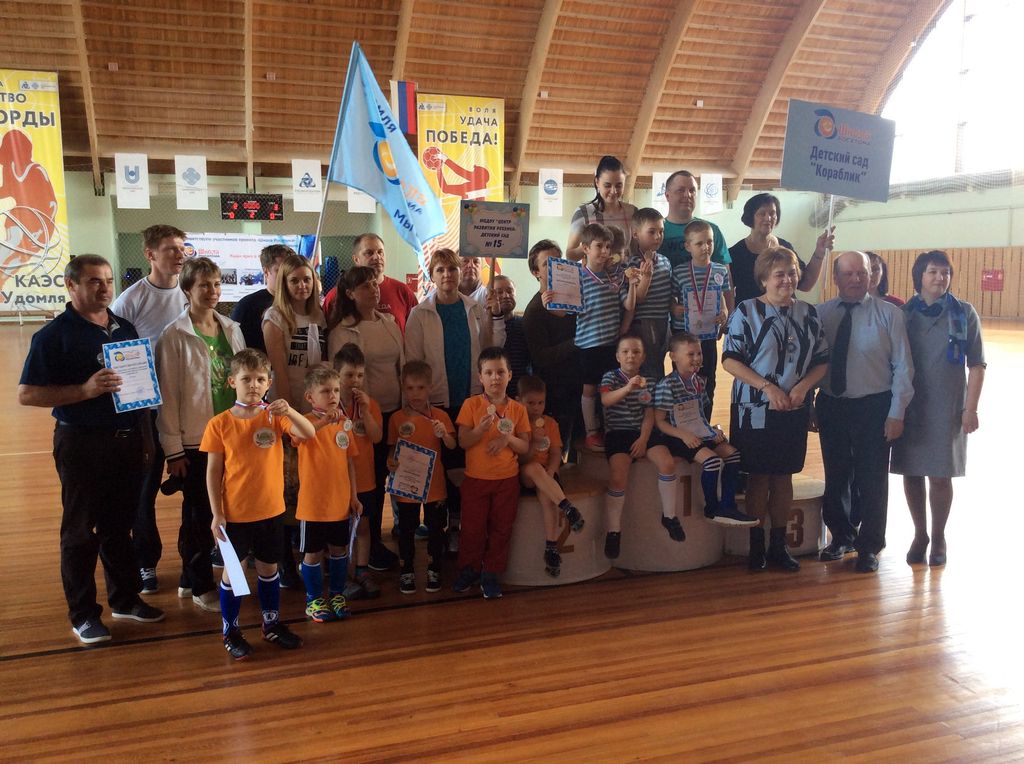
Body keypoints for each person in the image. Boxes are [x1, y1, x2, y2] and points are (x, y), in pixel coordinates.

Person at [19, 254, 166, 644]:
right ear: (71, 286)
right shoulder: (54, 336)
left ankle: (125, 599)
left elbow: (139, 389)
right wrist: (83, 391)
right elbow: (27, 394)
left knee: (119, 527)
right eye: (94, 281)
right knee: (81, 531)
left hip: (127, 441)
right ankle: (83, 614)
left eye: (108, 280)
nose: (104, 288)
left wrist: (146, 438)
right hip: (82, 443)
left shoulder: (124, 327)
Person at [722, 247, 829, 572]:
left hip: (793, 408)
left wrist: (802, 387)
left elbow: (822, 361)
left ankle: (779, 546)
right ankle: (756, 547)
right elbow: (730, 360)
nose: (787, 279)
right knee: (758, 477)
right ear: (764, 279)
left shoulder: (809, 313)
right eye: (779, 274)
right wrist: (767, 387)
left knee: (783, 477)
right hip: (753, 409)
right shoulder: (746, 311)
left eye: (792, 273)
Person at [203, 349, 314, 660]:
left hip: (271, 510)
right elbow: (213, 472)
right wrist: (216, 513)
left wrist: (290, 411)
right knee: (235, 575)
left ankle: (271, 624)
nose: (253, 385)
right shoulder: (219, 423)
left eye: (260, 379)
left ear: (269, 383)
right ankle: (231, 630)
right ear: (232, 382)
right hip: (234, 515)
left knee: (269, 568)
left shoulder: (274, 417)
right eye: (246, 379)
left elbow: (308, 433)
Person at [154, 257, 245, 612]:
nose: (212, 291)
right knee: (199, 514)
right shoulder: (174, 335)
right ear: (188, 290)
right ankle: (201, 585)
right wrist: (174, 450)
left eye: (217, 284)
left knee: (226, 509)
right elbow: (168, 396)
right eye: (204, 285)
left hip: (233, 434)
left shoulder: (232, 328)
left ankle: (190, 577)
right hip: (196, 440)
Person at [815, 251, 915, 573]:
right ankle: (841, 536)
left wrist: (897, 412)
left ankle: (869, 545)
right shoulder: (821, 314)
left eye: (862, 273)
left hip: (874, 406)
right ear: (836, 278)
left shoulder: (890, 314)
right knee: (836, 475)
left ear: (872, 276)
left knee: (872, 479)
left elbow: (904, 366)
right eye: (848, 273)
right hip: (832, 404)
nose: (856, 279)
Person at [891, 250, 985, 567]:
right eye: (933, 271)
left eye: (945, 273)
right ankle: (920, 533)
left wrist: (970, 409)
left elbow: (977, 365)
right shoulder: (904, 314)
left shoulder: (964, 313)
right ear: (920, 276)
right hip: (911, 404)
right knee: (911, 471)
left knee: (941, 475)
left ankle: (939, 534)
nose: (939, 278)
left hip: (948, 405)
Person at [111, 224, 188, 595]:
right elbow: (115, 356)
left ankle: (196, 560)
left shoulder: (189, 293)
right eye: (170, 248)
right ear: (150, 254)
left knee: (197, 491)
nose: (178, 254)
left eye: (182, 248)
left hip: (187, 411)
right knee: (144, 493)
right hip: (146, 416)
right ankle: (145, 562)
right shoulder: (130, 301)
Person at [406, 248, 497, 554]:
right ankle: (436, 526)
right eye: (441, 270)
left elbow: (486, 350)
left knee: (462, 467)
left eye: (452, 269)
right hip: (436, 403)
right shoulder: (420, 314)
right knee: (439, 469)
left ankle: (457, 525)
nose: (447, 275)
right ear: (432, 276)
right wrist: (418, 405)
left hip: (469, 400)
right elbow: (414, 363)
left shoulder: (475, 308)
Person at [327, 265, 404, 572]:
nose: (373, 289)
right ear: (349, 293)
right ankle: (357, 546)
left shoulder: (389, 323)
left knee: (382, 476)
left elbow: (401, 364)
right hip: (360, 415)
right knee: (363, 480)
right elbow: (340, 376)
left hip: (392, 410)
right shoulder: (341, 331)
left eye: (374, 284)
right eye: (364, 286)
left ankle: (374, 540)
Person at [262, 253, 326, 588]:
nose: (302, 286)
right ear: (283, 284)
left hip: (316, 412)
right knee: (287, 489)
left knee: (309, 485)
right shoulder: (275, 318)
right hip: (291, 413)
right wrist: (291, 417)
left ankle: (309, 554)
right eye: (294, 280)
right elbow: (280, 373)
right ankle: (285, 559)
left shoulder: (319, 315)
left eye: (307, 279)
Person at [452, 347, 532, 599]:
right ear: (480, 377)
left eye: (500, 372)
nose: (495, 378)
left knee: (501, 528)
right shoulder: (471, 405)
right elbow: (463, 441)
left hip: (506, 480)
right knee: (472, 529)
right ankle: (469, 569)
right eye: (489, 373)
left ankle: (491, 573)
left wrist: (508, 439)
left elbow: (525, 446)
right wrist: (479, 430)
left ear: (510, 375)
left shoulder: (518, 409)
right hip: (476, 479)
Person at [654, 333, 756, 526]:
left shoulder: (699, 382)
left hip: (698, 432)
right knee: (712, 461)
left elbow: (700, 415)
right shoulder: (666, 385)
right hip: (677, 437)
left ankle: (728, 505)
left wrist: (714, 429)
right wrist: (683, 435)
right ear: (673, 357)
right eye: (690, 354)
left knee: (732, 454)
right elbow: (659, 422)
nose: (696, 358)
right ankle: (712, 509)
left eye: (699, 353)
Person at [600, 334, 684, 558]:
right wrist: (628, 388)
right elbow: (606, 400)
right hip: (618, 433)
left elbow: (649, 413)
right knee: (618, 477)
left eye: (636, 352)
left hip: (643, 433)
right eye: (626, 352)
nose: (631, 356)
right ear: (617, 356)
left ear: (643, 357)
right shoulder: (610, 377)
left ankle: (669, 516)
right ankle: (614, 531)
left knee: (667, 464)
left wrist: (644, 439)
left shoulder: (651, 381)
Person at [295, 366, 361, 623]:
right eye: (325, 391)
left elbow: (350, 462)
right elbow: (299, 438)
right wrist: (324, 422)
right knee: (312, 553)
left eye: (336, 390)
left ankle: (336, 594)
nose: (332, 395)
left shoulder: (344, 424)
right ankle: (313, 599)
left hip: (339, 502)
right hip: (313, 504)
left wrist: (353, 496)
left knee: (339, 550)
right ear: (310, 397)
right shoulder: (304, 421)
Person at [386, 361, 456, 594]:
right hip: (407, 487)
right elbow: (392, 449)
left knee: (436, 528)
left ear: (430, 387)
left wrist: (444, 434)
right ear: (403, 388)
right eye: (410, 388)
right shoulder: (396, 419)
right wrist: (390, 461)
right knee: (406, 529)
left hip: (435, 486)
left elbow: (452, 445)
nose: (415, 393)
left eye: (421, 388)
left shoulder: (440, 416)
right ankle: (406, 570)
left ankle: (434, 568)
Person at [569, 223, 639, 452]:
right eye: (599, 246)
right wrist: (551, 299)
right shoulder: (577, 277)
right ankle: (591, 432)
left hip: (611, 345)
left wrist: (633, 285)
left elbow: (628, 304)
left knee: (609, 388)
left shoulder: (614, 277)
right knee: (589, 389)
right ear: (585, 248)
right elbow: (567, 310)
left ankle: (611, 430)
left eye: (608, 246)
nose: (605, 251)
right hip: (588, 346)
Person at [517, 375, 584, 578]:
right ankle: (568, 507)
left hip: (546, 474)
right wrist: (534, 443)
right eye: (530, 403)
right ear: (518, 400)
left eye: (540, 403)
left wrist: (552, 471)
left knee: (547, 498)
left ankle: (551, 547)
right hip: (525, 473)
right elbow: (521, 459)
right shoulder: (517, 422)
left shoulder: (550, 423)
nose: (536, 408)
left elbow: (556, 452)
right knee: (534, 467)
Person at [332, 343, 385, 598]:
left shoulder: (369, 404)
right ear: (337, 375)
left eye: (360, 375)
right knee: (340, 531)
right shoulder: (329, 407)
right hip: (339, 480)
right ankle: (341, 576)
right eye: (349, 375)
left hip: (365, 479)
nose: (355, 380)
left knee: (363, 527)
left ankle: (362, 570)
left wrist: (365, 412)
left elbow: (376, 437)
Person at [522, 240, 582, 457]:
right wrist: (576, 341)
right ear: (535, 272)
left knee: (579, 447)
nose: (555, 267)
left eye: (558, 261)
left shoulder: (577, 300)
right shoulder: (535, 310)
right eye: (548, 264)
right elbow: (541, 357)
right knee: (557, 450)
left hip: (580, 384)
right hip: (556, 391)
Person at [670, 219, 734, 420]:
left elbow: (723, 298)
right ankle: (683, 423)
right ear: (688, 246)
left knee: (708, 379)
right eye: (699, 243)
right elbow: (670, 299)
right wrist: (674, 308)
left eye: (709, 242)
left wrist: (724, 313)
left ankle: (705, 420)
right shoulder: (679, 271)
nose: (706, 247)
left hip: (707, 336)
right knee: (682, 379)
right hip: (683, 335)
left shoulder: (720, 271)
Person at [728, 192, 833, 303]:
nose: (768, 218)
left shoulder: (785, 247)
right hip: (750, 313)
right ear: (750, 217)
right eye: (762, 214)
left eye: (772, 213)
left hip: (786, 311)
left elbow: (805, 284)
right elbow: (726, 293)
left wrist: (819, 253)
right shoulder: (735, 253)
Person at [321, 233, 418, 332]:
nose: (377, 257)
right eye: (369, 253)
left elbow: (417, 330)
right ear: (356, 259)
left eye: (380, 252)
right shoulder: (336, 296)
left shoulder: (403, 291)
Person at [627, 207, 673, 379]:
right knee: (650, 368)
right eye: (651, 232)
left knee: (659, 362)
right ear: (636, 234)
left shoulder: (665, 261)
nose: (658, 236)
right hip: (645, 323)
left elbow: (669, 292)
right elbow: (637, 299)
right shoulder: (632, 264)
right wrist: (646, 276)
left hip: (664, 321)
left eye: (661, 231)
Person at [566, 156, 638, 261]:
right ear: (597, 182)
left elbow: (636, 251)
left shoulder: (632, 212)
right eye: (607, 185)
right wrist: (589, 245)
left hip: (624, 270)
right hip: (594, 271)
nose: (613, 191)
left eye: (619, 186)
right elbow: (570, 255)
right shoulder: (583, 213)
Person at [660, 170, 731, 270]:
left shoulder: (711, 230)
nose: (687, 195)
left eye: (692, 190)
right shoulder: (656, 231)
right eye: (681, 190)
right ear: (667, 196)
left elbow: (724, 273)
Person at [230, 244, 292, 351]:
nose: (286, 276)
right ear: (266, 271)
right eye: (279, 271)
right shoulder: (247, 306)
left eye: (289, 270)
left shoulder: (300, 303)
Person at [491, 274, 530, 396]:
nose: (506, 296)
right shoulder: (486, 327)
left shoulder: (525, 324)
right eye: (499, 292)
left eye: (509, 291)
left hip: (522, 391)